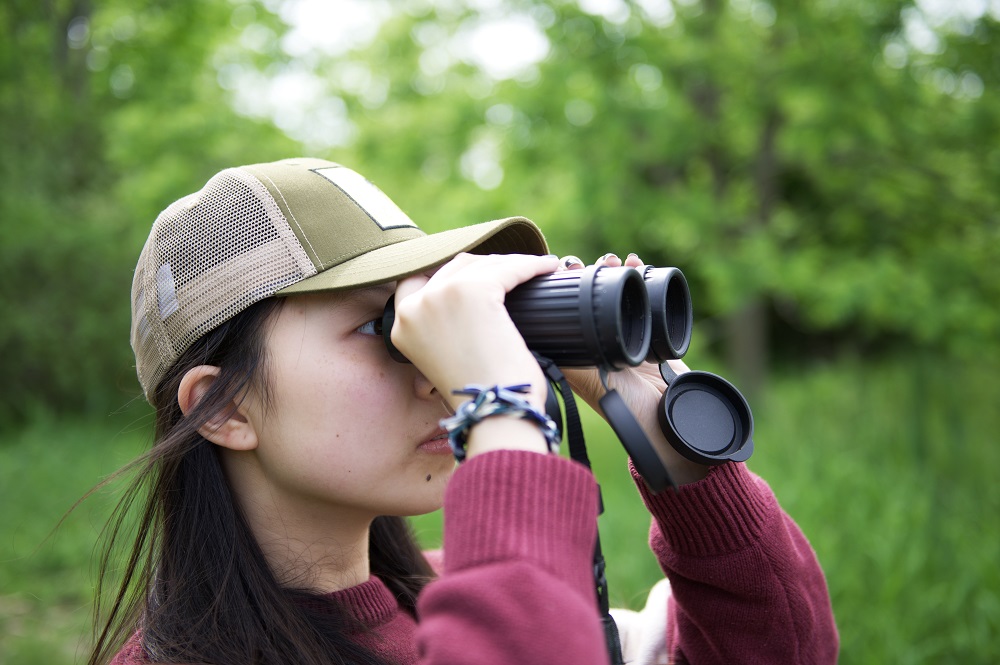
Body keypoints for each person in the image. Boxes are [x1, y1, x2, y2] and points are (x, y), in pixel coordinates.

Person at [90, 157, 838, 665]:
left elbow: (787, 648)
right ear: (224, 408)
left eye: (431, 320)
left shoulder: (465, 593)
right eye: (382, 329)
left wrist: (664, 435)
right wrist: (500, 410)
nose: (436, 375)